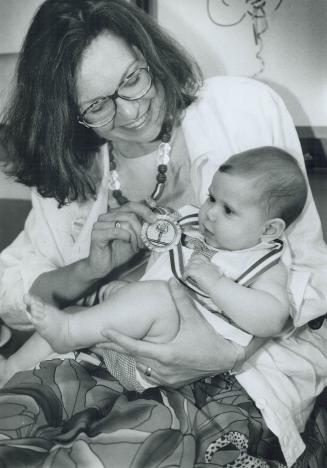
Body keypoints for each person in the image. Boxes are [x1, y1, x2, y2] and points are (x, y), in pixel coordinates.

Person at [0, 0, 326, 466]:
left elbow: (307, 272)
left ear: (147, 51)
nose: (131, 111)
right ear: (66, 113)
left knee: (113, 453)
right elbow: (17, 288)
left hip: (250, 369)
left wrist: (222, 352)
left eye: (132, 79)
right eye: (97, 106)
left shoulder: (239, 109)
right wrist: (91, 270)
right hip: (109, 361)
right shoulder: (73, 171)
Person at [6, 146, 305, 395]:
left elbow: (272, 319)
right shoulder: (193, 228)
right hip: (118, 349)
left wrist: (217, 284)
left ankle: (69, 333)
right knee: (73, 311)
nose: (211, 213)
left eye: (228, 210)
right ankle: (11, 369)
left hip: (170, 362)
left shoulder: (264, 264)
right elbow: (160, 252)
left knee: (159, 297)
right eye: (211, 198)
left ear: (269, 230)